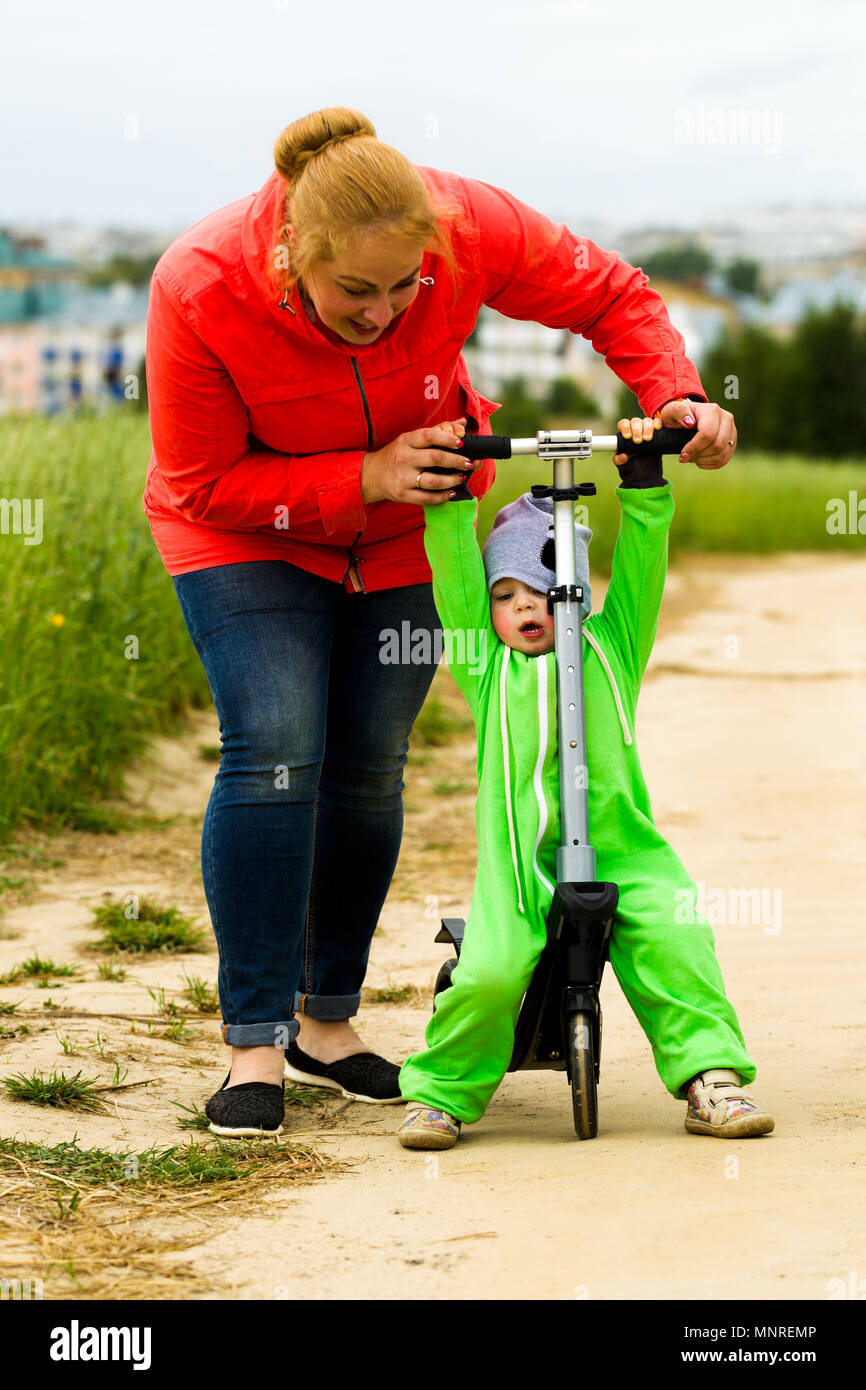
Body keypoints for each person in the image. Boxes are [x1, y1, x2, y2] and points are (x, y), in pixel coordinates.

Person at [143, 105, 737, 1138]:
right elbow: (201, 480)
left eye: (402, 288)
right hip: (248, 531)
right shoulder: (198, 284)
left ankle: (325, 1027)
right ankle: (253, 1045)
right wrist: (358, 474)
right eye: (352, 293)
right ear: (291, 255)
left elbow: (607, 293)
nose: (381, 313)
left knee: (369, 762)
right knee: (277, 745)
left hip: (415, 526)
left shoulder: (464, 225)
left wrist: (673, 396)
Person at [397, 417, 775, 1149]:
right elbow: (452, 576)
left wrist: (642, 484)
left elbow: (642, 568)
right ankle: (440, 1093)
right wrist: (447, 498)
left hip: (624, 851)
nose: (525, 608)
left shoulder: (611, 650)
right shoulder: (486, 666)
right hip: (518, 868)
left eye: (542, 591)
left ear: (574, 595)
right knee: (491, 974)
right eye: (505, 595)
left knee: (677, 935)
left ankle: (712, 1081)